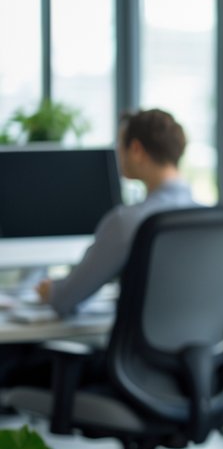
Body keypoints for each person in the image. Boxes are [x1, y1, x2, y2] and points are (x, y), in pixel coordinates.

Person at [37, 109, 197, 317]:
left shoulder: (126, 222)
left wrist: (50, 291)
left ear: (136, 149)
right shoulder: (213, 221)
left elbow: (66, 299)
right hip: (204, 348)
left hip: (136, 349)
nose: (118, 153)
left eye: (120, 145)